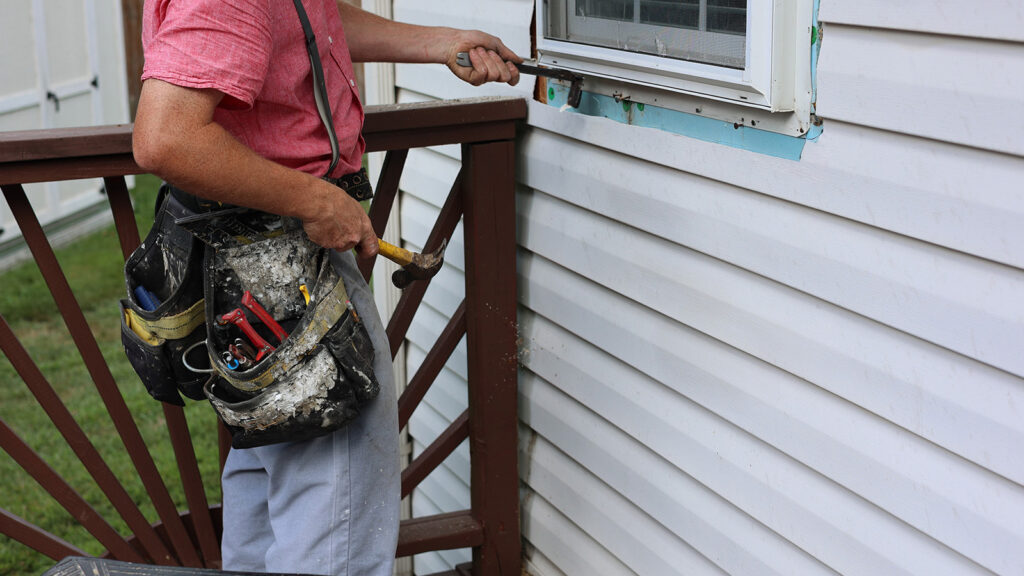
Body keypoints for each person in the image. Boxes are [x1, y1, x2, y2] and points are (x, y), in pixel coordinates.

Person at [131, 2, 521, 575]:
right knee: (334, 513)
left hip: (253, 263)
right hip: (282, 261)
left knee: (275, 472)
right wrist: (315, 200)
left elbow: (309, 20)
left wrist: (441, 41)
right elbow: (165, 138)